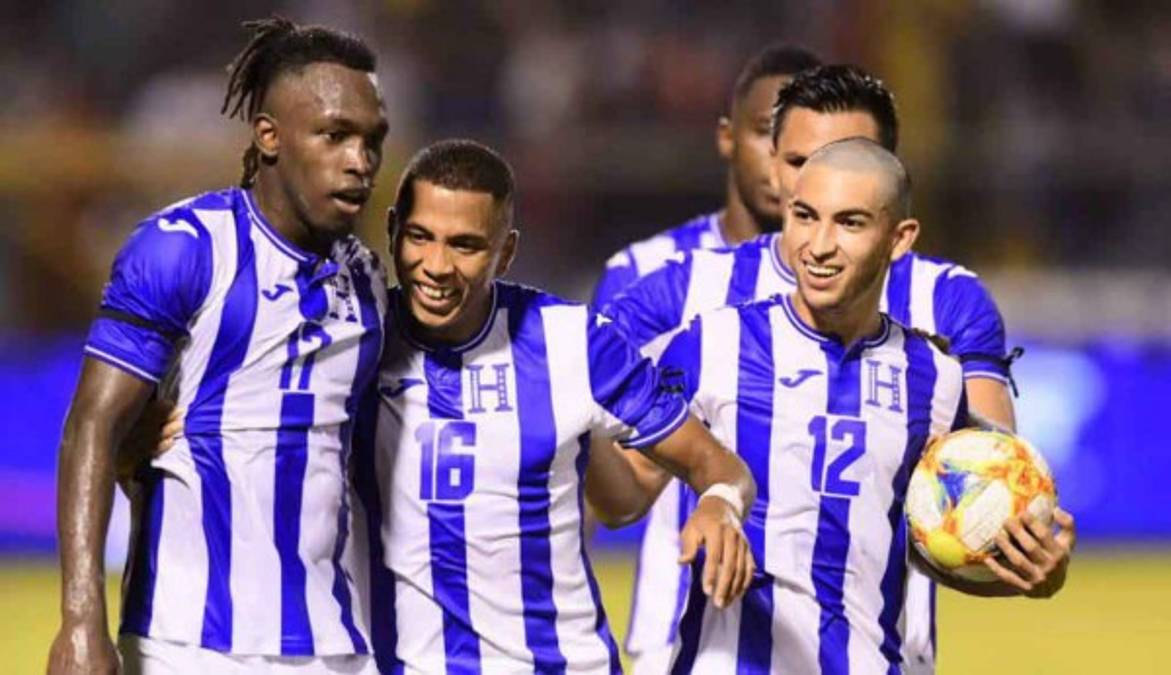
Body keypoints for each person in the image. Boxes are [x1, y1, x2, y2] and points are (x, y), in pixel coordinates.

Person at [598, 64, 1018, 672]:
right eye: (803, 166)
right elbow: (615, 484)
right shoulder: (693, 306)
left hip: (884, 650)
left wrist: (1021, 555)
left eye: (851, 205)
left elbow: (975, 494)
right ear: (777, 169)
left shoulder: (941, 329)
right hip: (701, 646)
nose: (822, 234)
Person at [49, 17, 389, 674]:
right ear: (269, 135)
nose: (360, 161)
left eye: (372, 140)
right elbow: (92, 424)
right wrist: (82, 618)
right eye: (335, 135)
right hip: (190, 644)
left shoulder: (369, 279)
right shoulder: (184, 247)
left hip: (338, 645)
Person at [657, 138, 1075, 673]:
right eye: (805, 216)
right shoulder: (713, 345)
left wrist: (1022, 573)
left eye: (849, 223)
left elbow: (925, 543)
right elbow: (617, 480)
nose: (818, 245)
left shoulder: (937, 380)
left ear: (899, 239)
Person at [353, 139, 758, 673]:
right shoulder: (353, 345)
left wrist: (720, 503)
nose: (437, 265)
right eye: (420, 237)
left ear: (506, 252)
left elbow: (717, 465)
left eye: (465, 245)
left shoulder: (571, 342)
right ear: (392, 230)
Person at [588, 44, 822, 674]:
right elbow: (588, 454)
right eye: (766, 133)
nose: (784, 161)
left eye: (808, 146)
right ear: (726, 136)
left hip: (828, 638)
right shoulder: (645, 274)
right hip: (677, 630)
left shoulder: (875, 290)